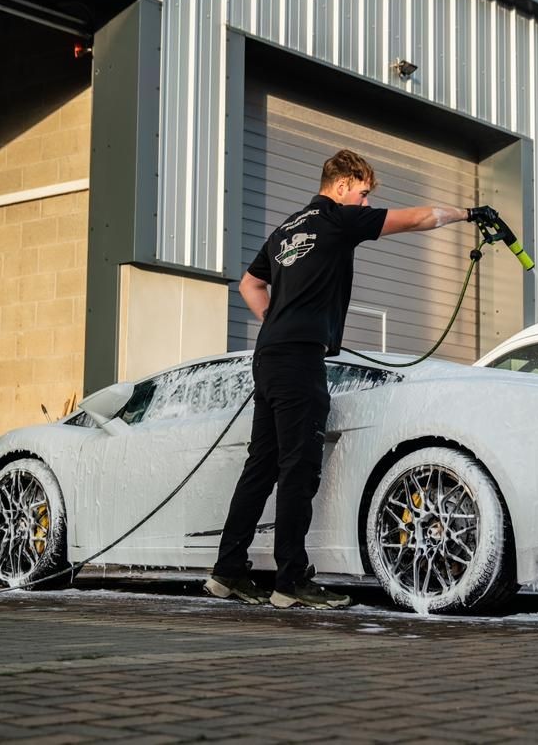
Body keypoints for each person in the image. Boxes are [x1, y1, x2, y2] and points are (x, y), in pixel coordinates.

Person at [205, 149, 496, 609]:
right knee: (298, 468)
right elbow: (418, 218)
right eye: (362, 193)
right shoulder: (339, 220)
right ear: (341, 186)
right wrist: (466, 214)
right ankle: (289, 581)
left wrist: (276, 322)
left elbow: (249, 284)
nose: (364, 203)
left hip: (270, 356)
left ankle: (227, 571)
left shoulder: (286, 229)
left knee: (261, 466)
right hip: (299, 361)